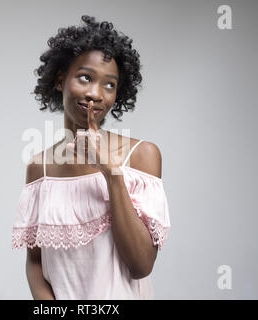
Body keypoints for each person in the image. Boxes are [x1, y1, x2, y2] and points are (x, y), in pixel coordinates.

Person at [12, 15, 170, 300]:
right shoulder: (40, 168)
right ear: (61, 80)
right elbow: (35, 262)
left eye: (109, 85)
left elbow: (141, 265)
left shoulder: (142, 156)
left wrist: (111, 172)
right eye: (86, 78)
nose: (96, 93)